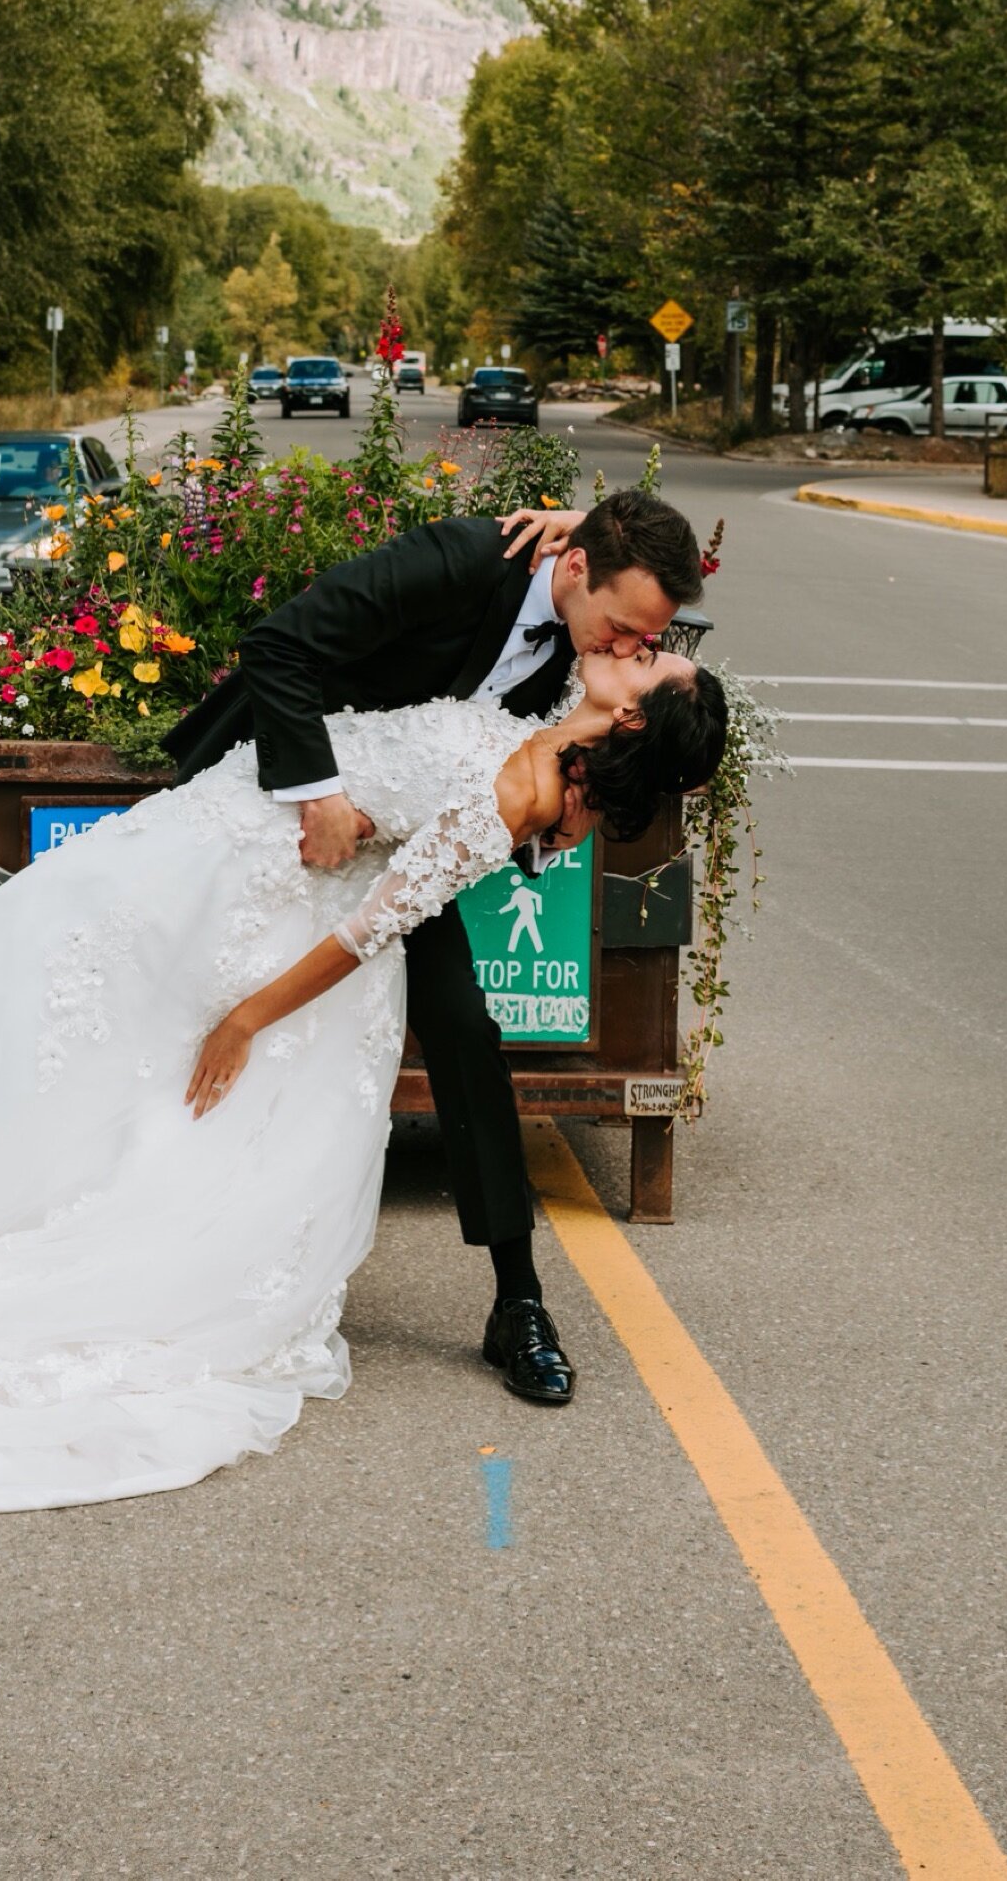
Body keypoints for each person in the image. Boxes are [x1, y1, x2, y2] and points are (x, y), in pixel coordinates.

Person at [0, 642, 726, 1518]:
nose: (653, 646)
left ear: (632, 726)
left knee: (166, 1109)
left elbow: (373, 927)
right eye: (658, 642)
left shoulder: (514, 796)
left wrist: (245, 1019)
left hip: (286, 927)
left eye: (657, 662)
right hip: (227, 840)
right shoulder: (560, 713)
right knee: (67, 1021)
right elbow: (552, 647)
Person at [165, 485, 708, 1405]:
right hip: (284, 802)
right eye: (621, 627)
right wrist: (322, 796)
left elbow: (547, 758)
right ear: (574, 569)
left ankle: (517, 1302)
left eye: (641, 642)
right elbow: (278, 646)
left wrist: (549, 820)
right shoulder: (463, 561)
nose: (626, 650)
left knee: (463, 1028)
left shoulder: (594, 643)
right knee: (185, 1007)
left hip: (407, 851)